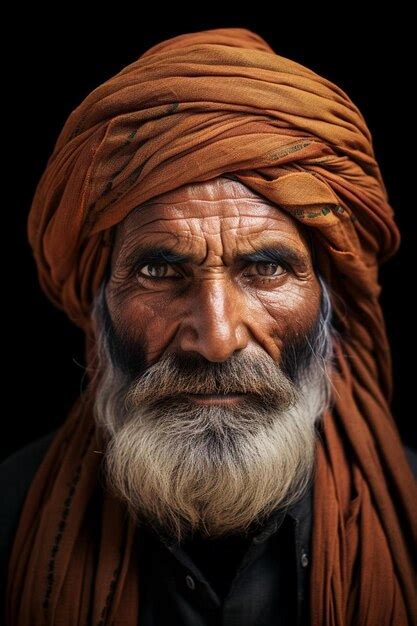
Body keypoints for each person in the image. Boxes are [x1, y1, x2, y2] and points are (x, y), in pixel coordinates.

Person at [1, 26, 416, 626]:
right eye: (160, 268)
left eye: (266, 267)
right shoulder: (9, 515)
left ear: (329, 300)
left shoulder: (414, 522)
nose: (218, 338)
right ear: (100, 303)